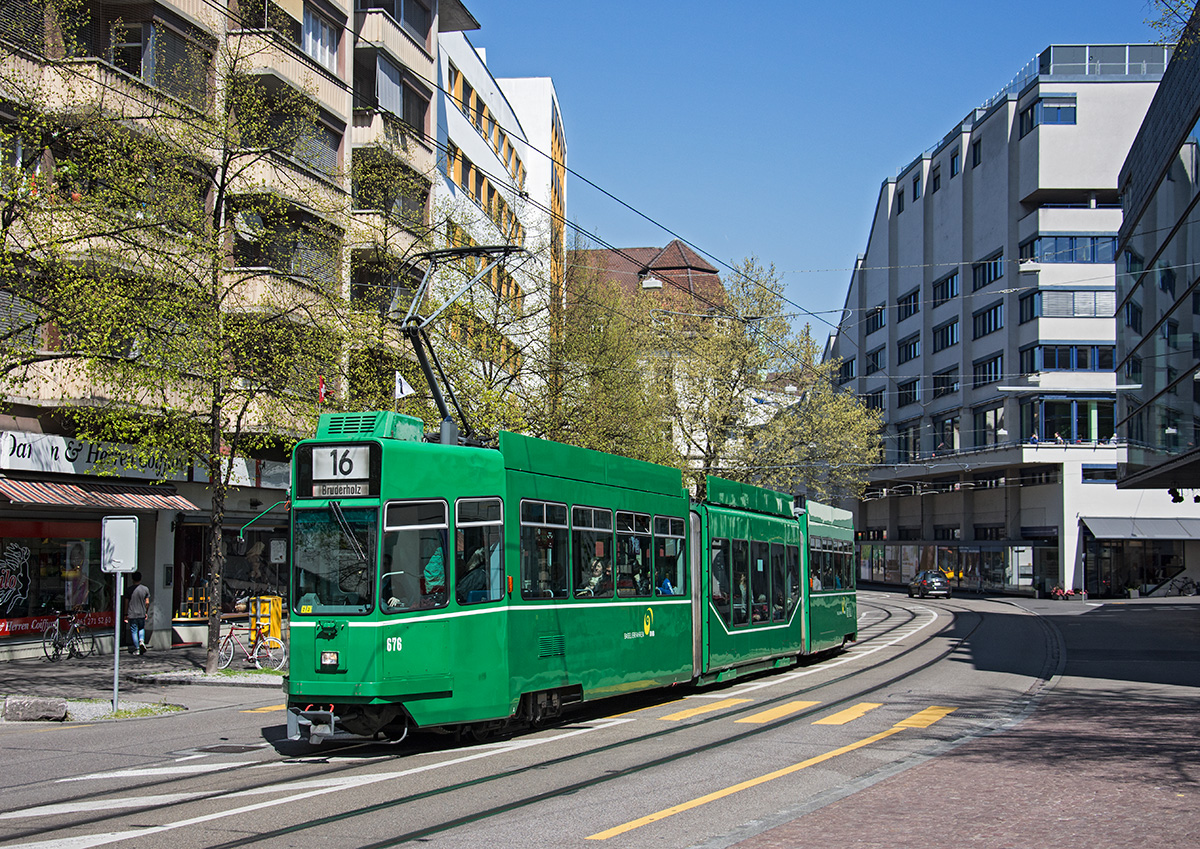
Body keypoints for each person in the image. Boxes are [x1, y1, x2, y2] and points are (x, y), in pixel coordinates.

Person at [127, 571, 150, 655]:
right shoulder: (145, 589)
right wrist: (146, 611)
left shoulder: (129, 590)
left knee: (133, 630)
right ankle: (141, 641)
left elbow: (126, 602)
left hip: (132, 612)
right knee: (141, 628)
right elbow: (147, 602)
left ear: (132, 579)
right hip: (141, 612)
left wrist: (125, 614)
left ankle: (137, 648)